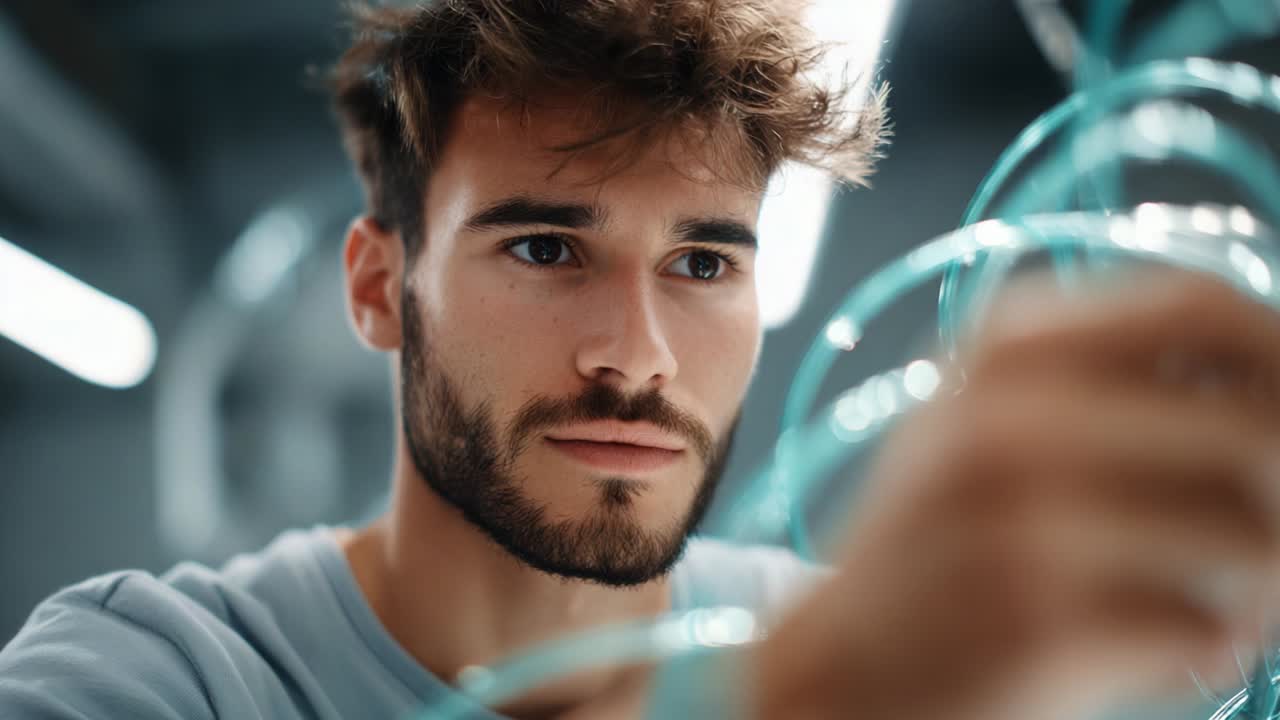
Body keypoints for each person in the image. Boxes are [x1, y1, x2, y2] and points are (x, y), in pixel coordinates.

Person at [4, 2, 1280, 720]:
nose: (639, 354)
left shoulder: (843, 630)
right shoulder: (154, 678)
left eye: (703, 263)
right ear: (381, 286)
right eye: (549, 249)